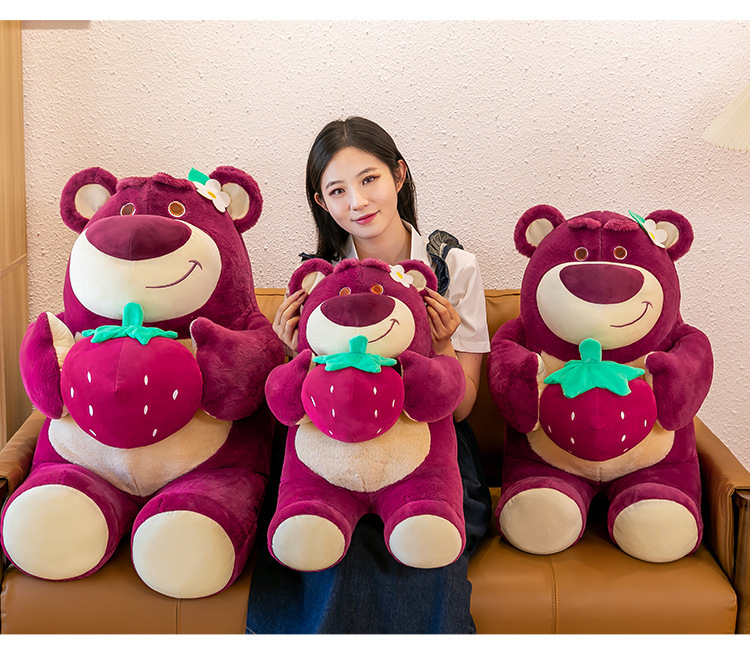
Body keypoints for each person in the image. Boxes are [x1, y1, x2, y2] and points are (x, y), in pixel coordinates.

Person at [246, 116, 491, 634]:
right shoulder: (317, 278)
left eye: (369, 179)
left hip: (429, 444)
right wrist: (288, 350)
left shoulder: (453, 267)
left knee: (416, 533)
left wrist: (443, 345)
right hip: (333, 441)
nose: (357, 201)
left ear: (398, 175)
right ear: (321, 202)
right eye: (337, 190)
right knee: (326, 530)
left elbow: (463, 407)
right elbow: (293, 402)